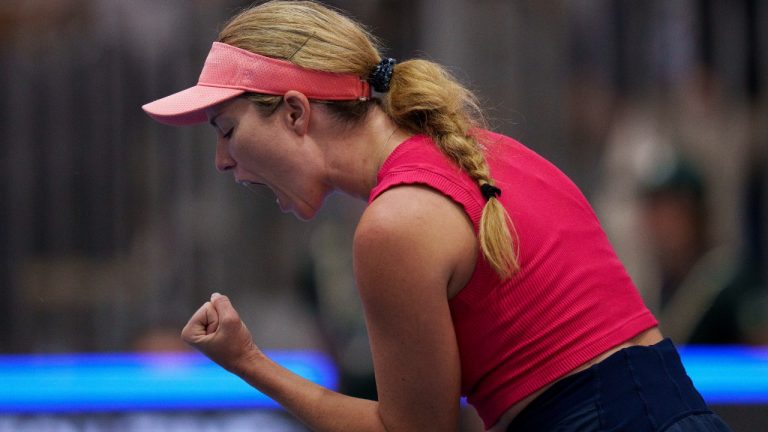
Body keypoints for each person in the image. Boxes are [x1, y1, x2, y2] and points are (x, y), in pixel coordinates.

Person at [142, 1, 732, 430]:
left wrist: (247, 363)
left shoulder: (396, 224)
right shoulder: (482, 154)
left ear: (296, 112)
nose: (222, 161)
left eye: (227, 129)